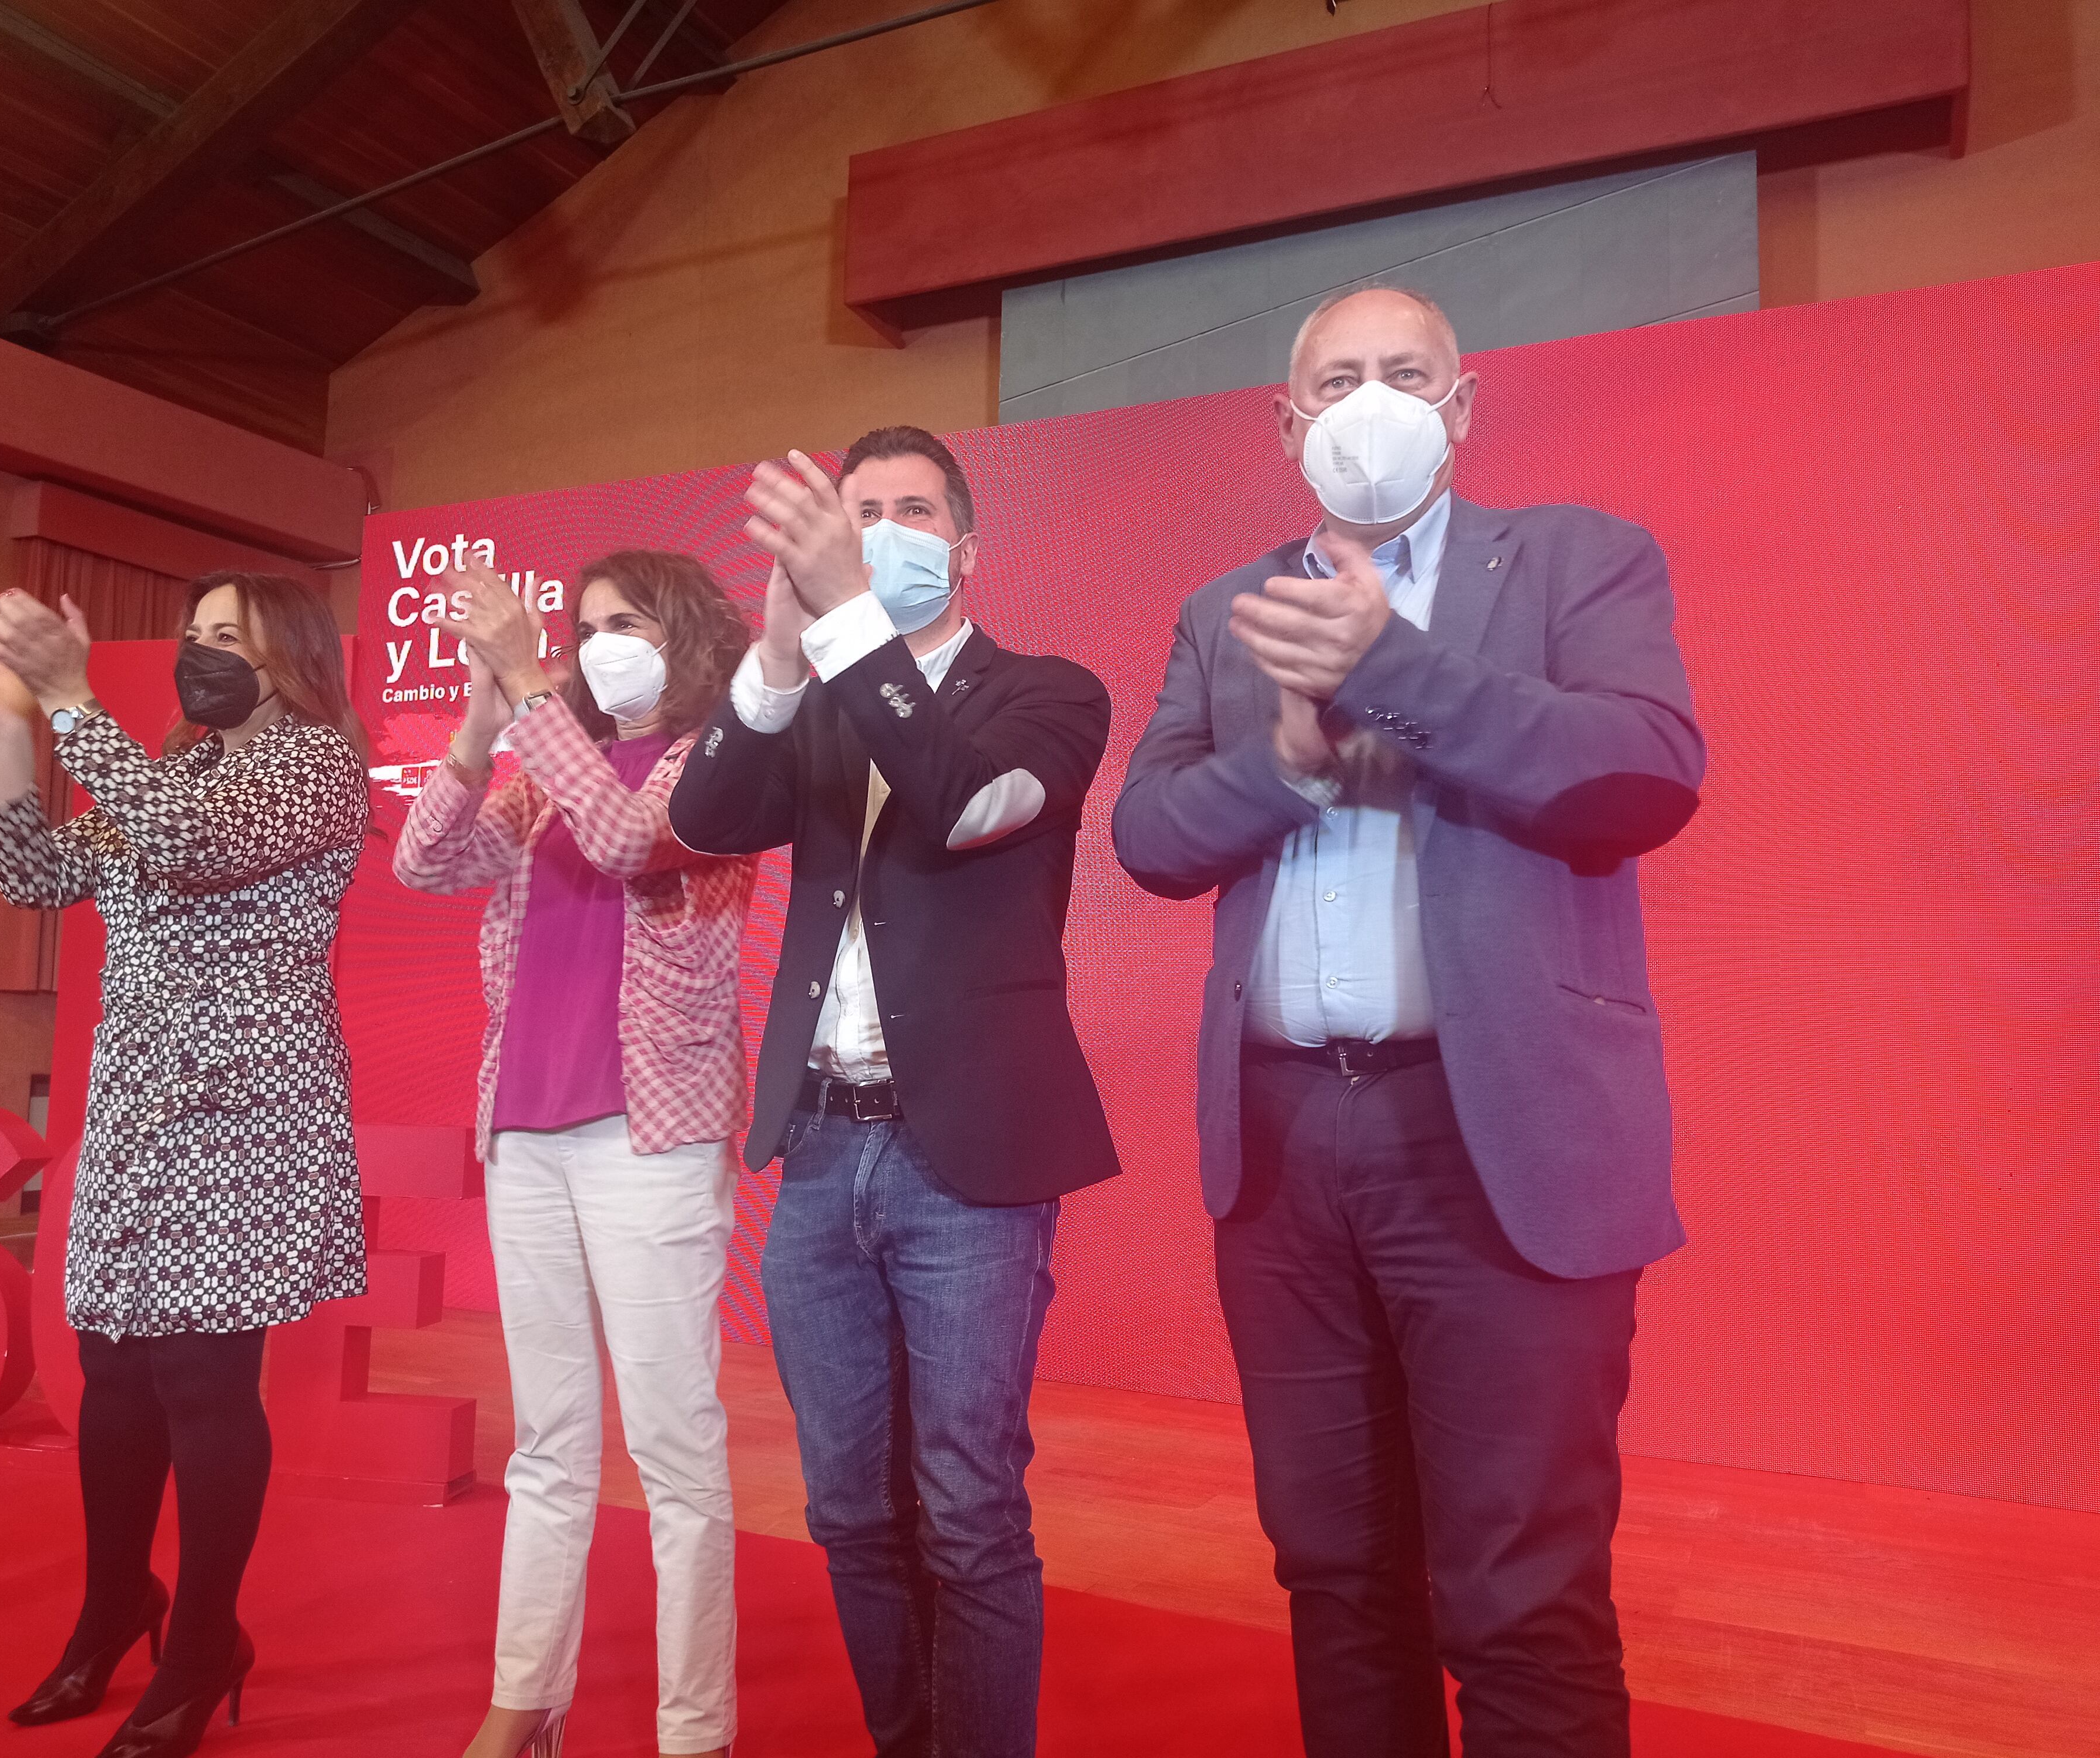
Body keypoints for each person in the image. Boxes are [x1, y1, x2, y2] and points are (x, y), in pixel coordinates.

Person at [1111, 287, 1707, 1758]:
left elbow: (1639, 775)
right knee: (1333, 1573)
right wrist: (1292, 765)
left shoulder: (1575, 559)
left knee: (1519, 1587)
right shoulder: (1219, 611)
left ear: (1460, 404)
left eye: (1402, 374)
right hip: (1285, 1145)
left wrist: (1392, 665)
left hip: (1499, 1132)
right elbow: (1149, 832)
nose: (1367, 401)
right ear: (1286, 420)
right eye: (1335, 379)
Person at [668, 427, 1122, 1758]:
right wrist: (768, 653)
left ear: (965, 547)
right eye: (854, 513)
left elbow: (964, 800)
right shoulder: (809, 695)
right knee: (849, 1508)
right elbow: (702, 816)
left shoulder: (1048, 690)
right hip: (817, 1145)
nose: (873, 530)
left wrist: (848, 627)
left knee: (968, 1502)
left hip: (963, 1157)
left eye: (908, 510)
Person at [0, 571, 371, 1758]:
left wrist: (75, 700)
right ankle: (114, 1604)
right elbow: (32, 871)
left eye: (226, 637)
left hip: (243, 1108)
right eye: (192, 633)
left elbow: (188, 851)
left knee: (201, 1376)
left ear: (290, 656)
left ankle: (201, 1645)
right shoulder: (167, 770)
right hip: (135, 1102)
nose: (199, 654)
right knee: (114, 1367)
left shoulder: (319, 768)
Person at [395, 551, 757, 1758]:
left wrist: (526, 678)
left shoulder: (722, 756)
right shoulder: (546, 767)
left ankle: (693, 1729)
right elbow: (425, 862)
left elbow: (627, 840)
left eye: (626, 623)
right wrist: (477, 719)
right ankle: (525, 1699)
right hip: (528, 1128)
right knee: (547, 1439)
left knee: (673, 1445)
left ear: (688, 637)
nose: (599, 642)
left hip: (652, 1132)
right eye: (585, 623)